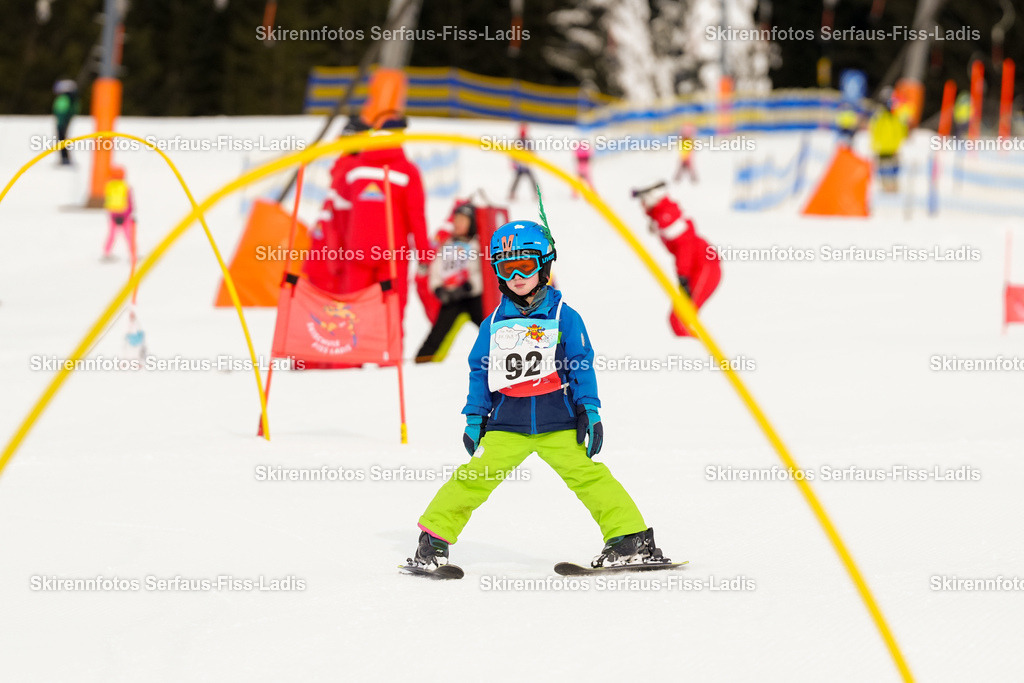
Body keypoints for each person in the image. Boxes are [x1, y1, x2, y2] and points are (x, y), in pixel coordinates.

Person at [406, 219, 670, 571]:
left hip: (558, 421)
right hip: (506, 424)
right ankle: (432, 542)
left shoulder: (564, 317)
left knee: (589, 476)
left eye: (525, 266)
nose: (517, 276)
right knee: (473, 478)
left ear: (544, 265)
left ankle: (629, 539)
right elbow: (480, 371)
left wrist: (589, 409)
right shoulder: (493, 323)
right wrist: (474, 416)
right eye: (506, 268)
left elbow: (580, 364)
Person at [331, 116, 430, 324]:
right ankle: (389, 347)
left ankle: (354, 347)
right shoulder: (408, 171)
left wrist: (342, 247)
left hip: (357, 251)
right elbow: (416, 217)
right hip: (393, 255)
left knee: (353, 314)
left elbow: (340, 210)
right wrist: (424, 256)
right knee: (391, 315)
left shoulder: (354, 168)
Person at [636, 185, 720, 337]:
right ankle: (694, 345)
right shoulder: (661, 215)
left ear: (652, 198)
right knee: (677, 321)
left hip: (703, 266)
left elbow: (685, 247)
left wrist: (683, 277)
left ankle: (700, 346)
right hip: (696, 267)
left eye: (643, 200)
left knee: (679, 320)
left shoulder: (667, 216)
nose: (641, 205)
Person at [414, 202, 484, 363]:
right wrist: (438, 288)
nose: (458, 223)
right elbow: (436, 270)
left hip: (472, 297)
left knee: (490, 328)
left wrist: (469, 286)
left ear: (472, 223)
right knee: (437, 334)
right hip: (451, 298)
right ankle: (422, 362)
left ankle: (506, 354)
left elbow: (483, 272)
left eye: (463, 220)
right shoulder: (447, 244)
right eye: (456, 219)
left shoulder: (478, 245)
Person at [869, 94, 907, 193]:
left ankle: (893, 186)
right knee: (884, 169)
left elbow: (901, 132)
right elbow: (875, 131)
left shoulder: (897, 117)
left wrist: (899, 145)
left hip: (893, 148)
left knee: (895, 168)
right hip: (883, 148)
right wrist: (875, 145)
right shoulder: (881, 117)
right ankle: (885, 186)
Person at [102, 166, 136, 262]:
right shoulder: (126, 187)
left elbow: (108, 201)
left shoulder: (109, 186)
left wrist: (113, 216)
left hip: (113, 217)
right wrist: (128, 215)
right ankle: (133, 255)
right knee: (129, 236)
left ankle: (106, 253)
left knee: (111, 235)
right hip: (125, 216)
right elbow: (130, 203)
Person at [508, 123, 539, 201]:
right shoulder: (517, 141)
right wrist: (513, 162)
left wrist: (530, 159)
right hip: (520, 166)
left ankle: (536, 194)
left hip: (526, 165)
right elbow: (513, 153)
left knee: (532, 180)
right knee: (517, 180)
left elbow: (532, 152)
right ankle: (512, 193)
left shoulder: (527, 141)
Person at [52, 79, 79, 166]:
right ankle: (64, 158)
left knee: (62, 138)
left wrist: (62, 119)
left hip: (62, 121)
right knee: (62, 138)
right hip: (63, 121)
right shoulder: (70, 99)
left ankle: (65, 158)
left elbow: (62, 110)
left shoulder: (65, 98)